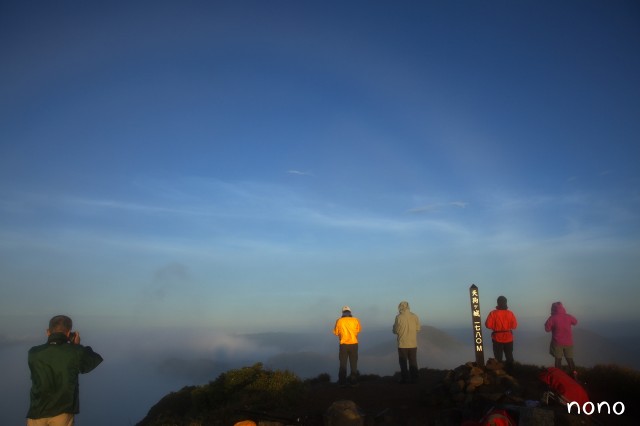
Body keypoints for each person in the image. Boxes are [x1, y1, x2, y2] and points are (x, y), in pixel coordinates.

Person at [27, 315, 103, 426]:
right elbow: (93, 360)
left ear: (48, 332)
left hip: (36, 412)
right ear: (68, 333)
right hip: (62, 412)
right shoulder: (75, 352)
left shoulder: (33, 353)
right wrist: (77, 345)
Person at [485, 295, 518, 373]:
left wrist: (496, 327)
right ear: (506, 303)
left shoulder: (493, 313)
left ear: (498, 303)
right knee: (509, 355)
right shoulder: (510, 313)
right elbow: (514, 326)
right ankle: (511, 372)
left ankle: (499, 372)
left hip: (497, 337)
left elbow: (488, 325)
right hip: (509, 337)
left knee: (498, 357)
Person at [544, 301, 578, 377]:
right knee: (570, 360)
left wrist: (550, 319)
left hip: (557, 343)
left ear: (553, 309)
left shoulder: (552, 318)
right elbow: (575, 322)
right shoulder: (568, 316)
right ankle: (575, 375)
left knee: (558, 360)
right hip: (569, 342)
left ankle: (559, 377)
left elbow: (547, 329)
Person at [392, 301, 421, 383]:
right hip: (413, 343)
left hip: (402, 344)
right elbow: (418, 329)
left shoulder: (398, 317)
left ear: (400, 307)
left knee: (403, 362)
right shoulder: (415, 316)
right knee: (413, 361)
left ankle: (405, 379)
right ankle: (415, 378)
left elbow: (395, 331)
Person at [333, 306, 361, 386]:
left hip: (343, 344)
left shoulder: (339, 321)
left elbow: (336, 332)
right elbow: (358, 330)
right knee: (353, 363)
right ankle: (354, 382)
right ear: (350, 312)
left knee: (343, 363)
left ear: (343, 313)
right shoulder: (356, 320)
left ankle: (342, 382)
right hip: (354, 344)